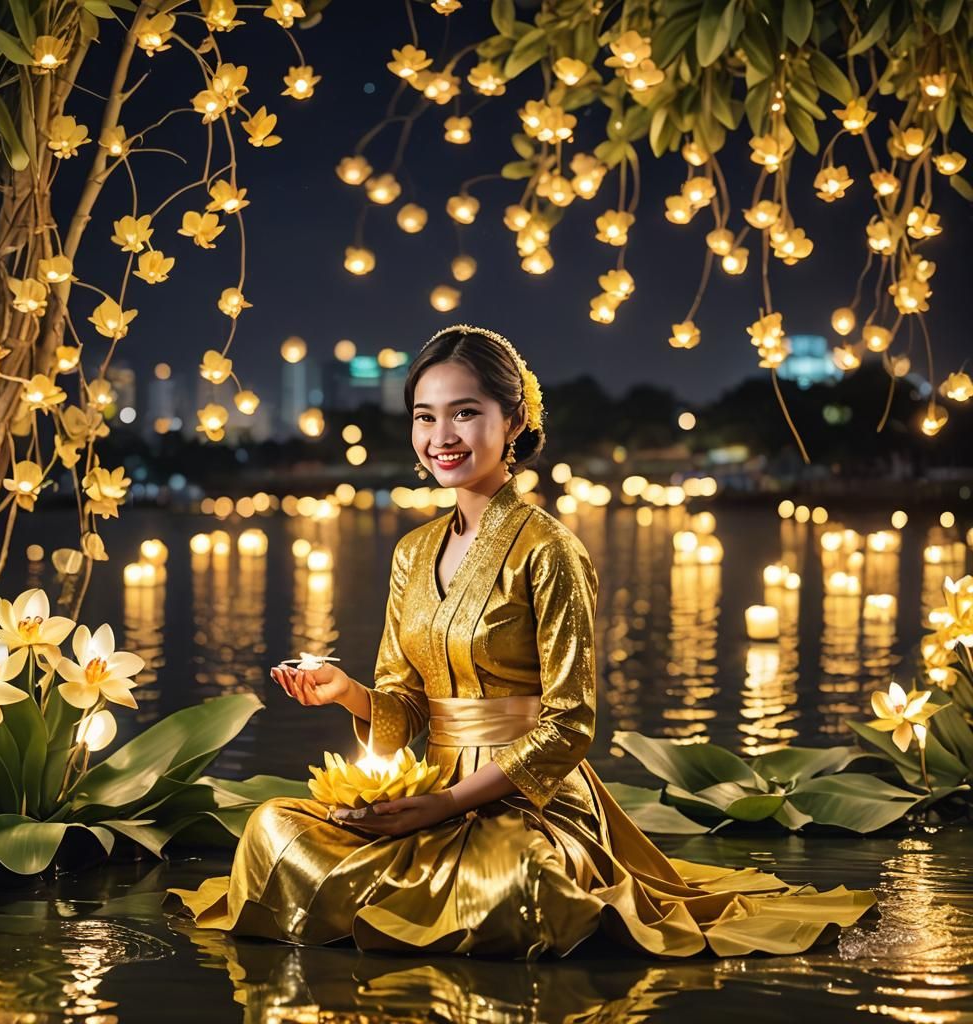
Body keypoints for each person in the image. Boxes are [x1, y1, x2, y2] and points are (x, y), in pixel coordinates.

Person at [170, 325, 876, 958]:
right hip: (427, 787)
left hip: (527, 801)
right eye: (425, 417)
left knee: (518, 881)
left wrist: (450, 806)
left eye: (465, 413)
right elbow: (406, 709)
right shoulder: (413, 553)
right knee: (272, 829)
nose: (441, 435)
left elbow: (571, 724)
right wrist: (348, 693)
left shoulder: (550, 550)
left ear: (514, 421)